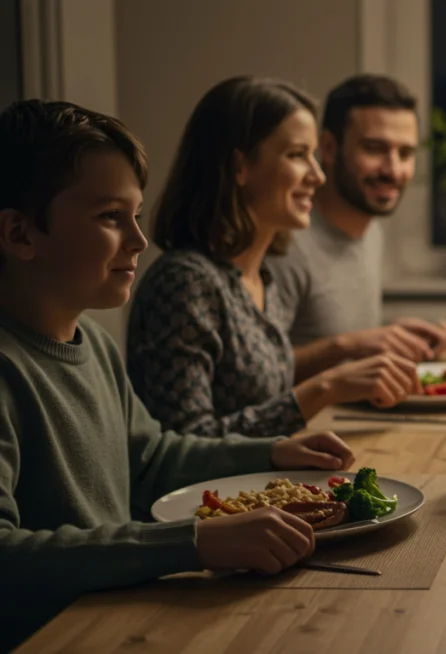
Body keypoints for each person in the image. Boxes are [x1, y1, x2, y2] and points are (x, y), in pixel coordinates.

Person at [0, 99, 358, 650]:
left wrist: (270, 453)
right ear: (20, 234)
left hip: (120, 616)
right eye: (109, 217)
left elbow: (151, 458)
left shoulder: (91, 342)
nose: (139, 242)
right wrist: (191, 543)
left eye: (136, 216)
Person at [128, 76, 419, 438]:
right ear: (240, 167)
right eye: (298, 156)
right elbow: (184, 445)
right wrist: (325, 388)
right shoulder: (186, 282)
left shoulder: (259, 277)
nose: (317, 175)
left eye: (314, 156)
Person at [267, 75, 446, 385]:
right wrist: (349, 346)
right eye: (374, 149)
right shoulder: (283, 243)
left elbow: (345, 343)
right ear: (329, 148)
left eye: (405, 154)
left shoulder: (371, 233)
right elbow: (257, 375)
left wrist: (394, 338)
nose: (394, 170)